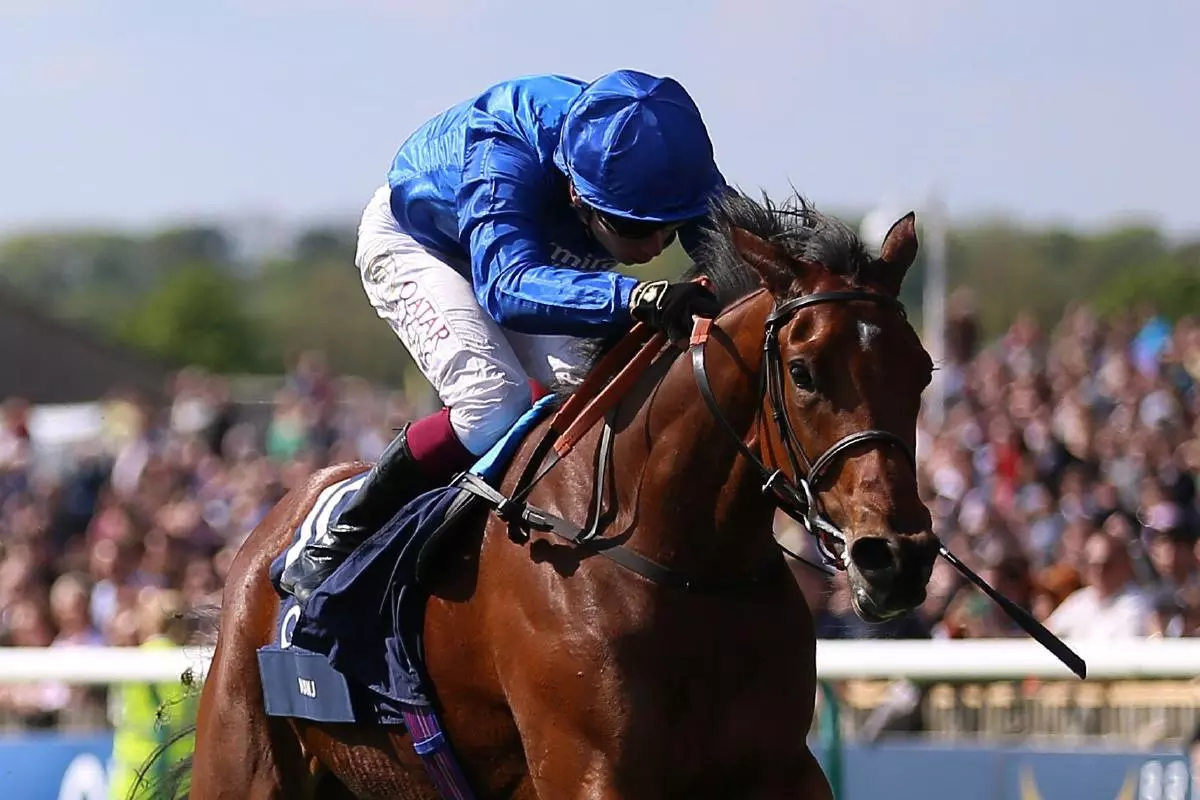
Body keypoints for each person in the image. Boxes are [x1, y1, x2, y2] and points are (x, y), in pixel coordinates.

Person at [281, 69, 727, 601]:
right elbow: (507, 288)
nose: (656, 244)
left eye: (669, 225)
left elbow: (742, 248)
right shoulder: (504, 152)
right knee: (494, 401)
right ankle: (344, 532)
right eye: (633, 226)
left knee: (616, 383)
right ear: (577, 193)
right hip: (429, 248)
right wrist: (632, 298)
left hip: (528, 257)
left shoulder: (663, 155)